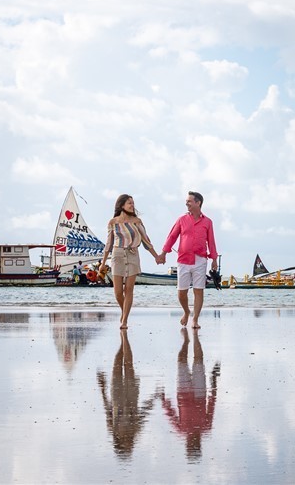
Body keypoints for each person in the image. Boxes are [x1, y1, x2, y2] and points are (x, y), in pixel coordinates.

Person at [100, 194, 162, 329]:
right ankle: (125, 311)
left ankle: (124, 320)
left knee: (128, 289)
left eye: (133, 203)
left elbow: (146, 241)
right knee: (117, 292)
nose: (132, 205)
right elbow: (108, 244)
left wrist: (156, 256)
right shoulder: (113, 222)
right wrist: (103, 263)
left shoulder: (137, 221)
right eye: (129, 203)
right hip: (117, 255)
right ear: (122, 205)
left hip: (133, 254)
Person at [158, 191, 219, 329]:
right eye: (186, 201)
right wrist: (163, 253)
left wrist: (214, 259)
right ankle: (186, 311)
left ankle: (195, 319)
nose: (186, 203)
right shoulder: (181, 219)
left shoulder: (208, 222)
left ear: (198, 203)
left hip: (201, 260)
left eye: (189, 201)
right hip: (183, 259)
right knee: (181, 292)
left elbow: (211, 242)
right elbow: (171, 237)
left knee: (198, 290)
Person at [97, 329, 160, 459]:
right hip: (131, 395)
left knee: (117, 363)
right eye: (128, 445)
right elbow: (144, 412)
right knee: (129, 364)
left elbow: (107, 408)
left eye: (125, 444)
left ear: (118, 442)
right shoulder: (135, 429)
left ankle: (123, 342)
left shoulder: (113, 428)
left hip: (117, 395)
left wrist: (102, 387)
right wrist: (154, 397)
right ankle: (124, 341)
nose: (127, 441)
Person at [160, 328, 219, 463]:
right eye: (193, 445)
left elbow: (171, 414)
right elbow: (211, 406)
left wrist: (163, 400)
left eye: (190, 445)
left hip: (184, 392)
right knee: (198, 360)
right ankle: (192, 339)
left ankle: (187, 341)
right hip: (198, 393)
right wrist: (214, 386)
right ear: (198, 444)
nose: (191, 442)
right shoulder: (205, 427)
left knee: (182, 360)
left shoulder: (182, 430)